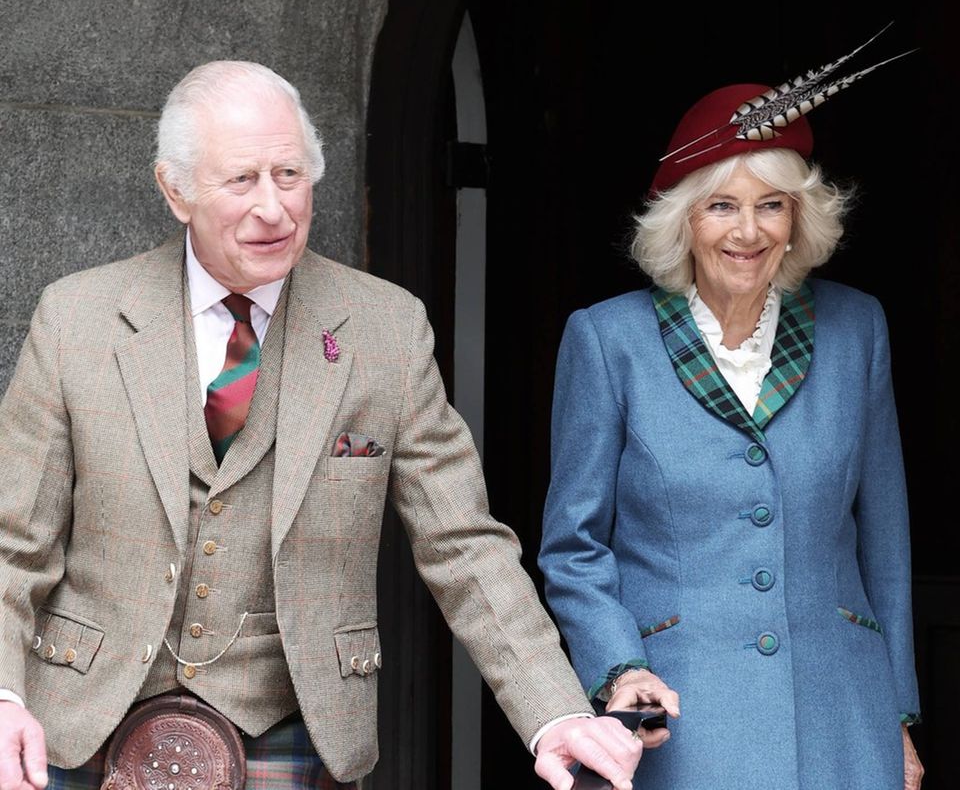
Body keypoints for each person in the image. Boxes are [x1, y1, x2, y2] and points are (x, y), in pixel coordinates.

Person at [0, 61, 645, 790]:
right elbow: (12, 543)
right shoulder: (75, 318)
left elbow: (462, 544)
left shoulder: (386, 329)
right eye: (241, 180)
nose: (273, 207)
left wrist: (555, 713)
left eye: (290, 173)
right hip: (82, 725)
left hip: (295, 728)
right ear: (174, 189)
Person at [538, 78, 925, 790]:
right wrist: (621, 667)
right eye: (722, 206)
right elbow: (573, 546)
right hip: (681, 721)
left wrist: (896, 714)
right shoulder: (606, 340)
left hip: (843, 718)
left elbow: (886, 539)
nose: (747, 232)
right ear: (685, 219)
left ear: (797, 217)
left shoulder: (857, 328)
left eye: (770, 205)